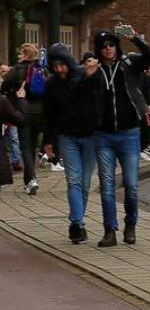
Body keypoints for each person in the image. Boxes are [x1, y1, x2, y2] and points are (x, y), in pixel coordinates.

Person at [84, 30, 150, 247]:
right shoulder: (94, 70)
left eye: (111, 45)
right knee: (107, 184)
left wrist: (135, 37)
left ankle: (131, 224)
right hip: (103, 134)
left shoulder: (130, 64)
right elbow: (83, 97)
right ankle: (110, 230)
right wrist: (87, 77)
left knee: (132, 184)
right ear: (98, 49)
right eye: (103, 46)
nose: (108, 49)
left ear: (116, 46)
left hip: (129, 133)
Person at [41, 44, 97, 243]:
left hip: (90, 135)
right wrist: (48, 141)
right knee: (73, 179)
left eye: (61, 65)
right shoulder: (51, 84)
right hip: (67, 136)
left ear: (68, 63)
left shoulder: (84, 76)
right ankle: (77, 223)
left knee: (85, 182)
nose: (59, 70)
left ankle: (78, 219)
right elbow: (49, 113)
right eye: (55, 66)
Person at [1, 43, 47, 195]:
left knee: (25, 148)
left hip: (23, 113)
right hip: (39, 114)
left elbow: (4, 87)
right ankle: (29, 181)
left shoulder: (17, 69)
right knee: (32, 146)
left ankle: (32, 180)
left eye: (21, 53)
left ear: (26, 54)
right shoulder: (41, 69)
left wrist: (12, 95)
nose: (19, 55)